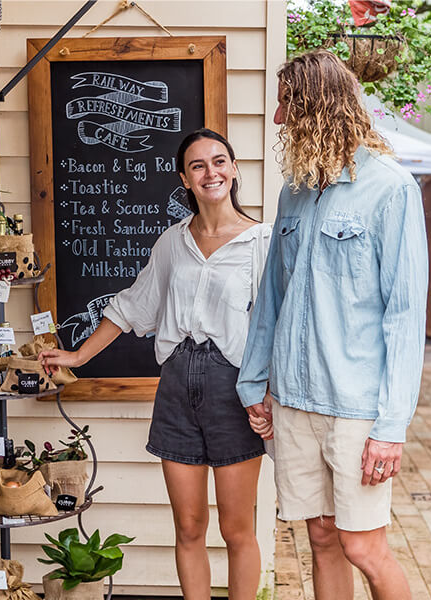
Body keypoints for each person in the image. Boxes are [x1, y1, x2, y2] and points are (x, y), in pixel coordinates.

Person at [39, 128, 272, 600]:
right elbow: (132, 307)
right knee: (188, 526)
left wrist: (266, 392)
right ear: (184, 179)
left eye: (220, 161)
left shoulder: (260, 241)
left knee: (236, 528)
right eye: (199, 165)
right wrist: (79, 355)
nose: (212, 172)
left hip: (234, 389)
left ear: (234, 169)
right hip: (176, 388)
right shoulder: (172, 242)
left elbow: (276, 326)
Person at [237, 50, 427, 600]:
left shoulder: (390, 189)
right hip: (294, 401)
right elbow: (271, 299)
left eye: (286, 107)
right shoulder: (293, 192)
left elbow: (405, 315)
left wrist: (391, 426)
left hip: (356, 408)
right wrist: (255, 384)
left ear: (319, 109)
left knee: (363, 546)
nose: (278, 120)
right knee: (320, 537)